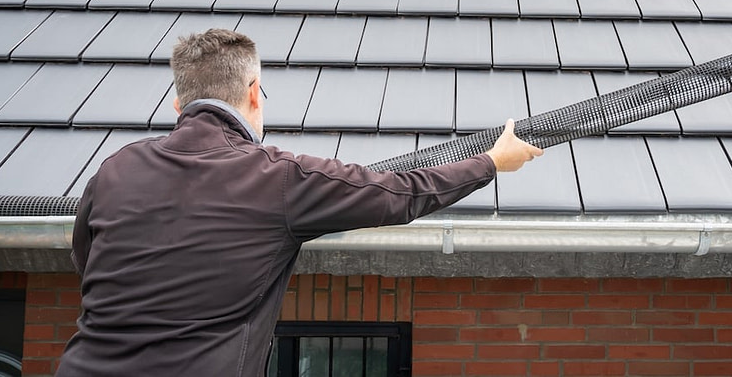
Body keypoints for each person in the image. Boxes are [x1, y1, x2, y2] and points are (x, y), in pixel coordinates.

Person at [56, 28, 542, 377]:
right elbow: (399, 193)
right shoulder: (278, 179)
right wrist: (492, 162)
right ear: (253, 94)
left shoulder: (114, 169)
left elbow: (87, 261)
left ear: (178, 106)